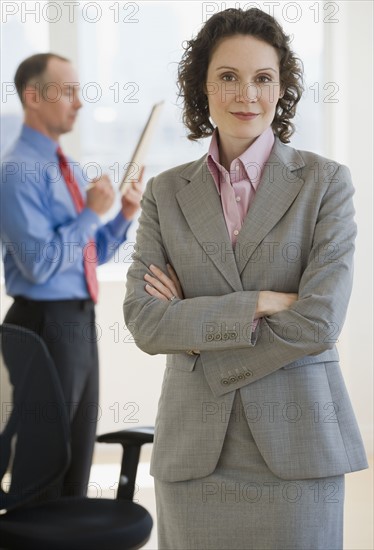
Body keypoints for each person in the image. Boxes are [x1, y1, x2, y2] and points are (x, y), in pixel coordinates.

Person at [124, 7, 368, 550]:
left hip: (296, 447)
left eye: (263, 79)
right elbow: (144, 322)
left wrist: (192, 324)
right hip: (194, 456)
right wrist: (259, 300)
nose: (247, 95)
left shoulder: (325, 183)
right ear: (202, 89)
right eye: (228, 78)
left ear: (282, 91)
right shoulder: (166, 192)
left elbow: (319, 321)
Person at [0, 53, 142, 498]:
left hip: (77, 322)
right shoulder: (17, 172)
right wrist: (89, 215)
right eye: (68, 91)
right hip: (43, 323)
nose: (79, 102)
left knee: (76, 455)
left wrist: (120, 217)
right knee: (44, 461)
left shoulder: (67, 168)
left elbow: (85, 254)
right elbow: (38, 263)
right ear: (33, 97)